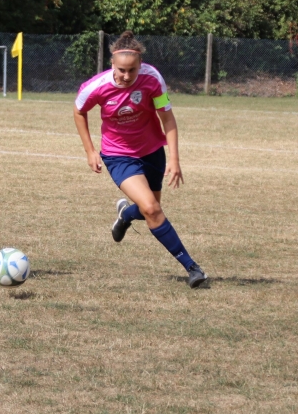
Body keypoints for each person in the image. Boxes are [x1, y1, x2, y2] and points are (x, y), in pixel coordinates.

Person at [73, 31, 208, 288]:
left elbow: (167, 118)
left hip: (152, 151)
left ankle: (126, 214)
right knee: (152, 209)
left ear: (140, 65)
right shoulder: (96, 87)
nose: (126, 76)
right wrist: (90, 151)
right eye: (121, 70)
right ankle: (192, 268)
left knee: (150, 208)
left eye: (132, 70)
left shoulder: (152, 79)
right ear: (112, 64)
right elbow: (79, 111)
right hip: (118, 155)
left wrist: (174, 159)